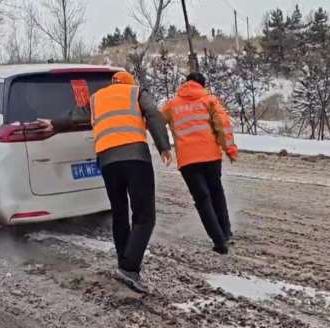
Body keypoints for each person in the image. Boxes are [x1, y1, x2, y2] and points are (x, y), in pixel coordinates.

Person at [38, 71, 173, 293]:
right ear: (130, 83)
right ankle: (129, 268)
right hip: (136, 158)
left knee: (120, 213)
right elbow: (154, 116)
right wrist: (163, 146)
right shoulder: (136, 92)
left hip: (108, 161)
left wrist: (54, 124)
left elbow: (74, 116)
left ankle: (124, 264)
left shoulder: (97, 98)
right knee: (144, 216)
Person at [160, 72, 238, 254]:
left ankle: (219, 242)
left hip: (188, 162)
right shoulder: (209, 100)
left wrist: (163, 146)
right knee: (217, 193)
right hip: (211, 157)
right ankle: (226, 232)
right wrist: (230, 150)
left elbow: (154, 121)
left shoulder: (172, 105)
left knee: (202, 199)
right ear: (202, 85)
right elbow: (222, 125)